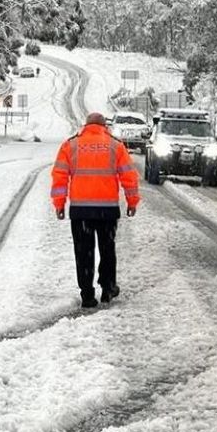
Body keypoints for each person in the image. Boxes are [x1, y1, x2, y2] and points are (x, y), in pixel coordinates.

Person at [52, 113, 140, 308]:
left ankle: (87, 295)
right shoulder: (116, 146)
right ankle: (108, 288)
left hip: (81, 210)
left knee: (83, 252)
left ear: (86, 125)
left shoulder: (71, 145)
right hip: (107, 210)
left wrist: (59, 204)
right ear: (104, 126)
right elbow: (129, 176)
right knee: (107, 249)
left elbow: (59, 177)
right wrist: (132, 201)